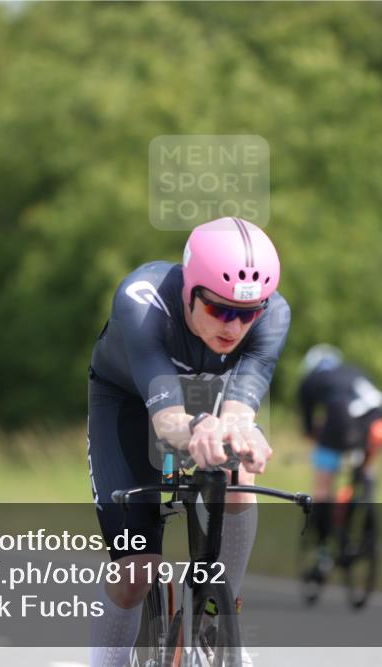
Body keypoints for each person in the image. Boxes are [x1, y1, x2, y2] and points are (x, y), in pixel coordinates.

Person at [87, 217, 290, 666]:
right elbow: (167, 420)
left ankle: (220, 616)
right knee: (135, 573)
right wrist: (198, 428)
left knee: (236, 471)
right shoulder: (143, 301)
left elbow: (239, 411)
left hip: (202, 392)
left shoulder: (274, 315)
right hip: (131, 398)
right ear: (189, 290)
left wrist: (242, 434)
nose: (235, 327)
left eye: (248, 312)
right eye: (220, 310)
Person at [298, 345, 382, 551]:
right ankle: (361, 511)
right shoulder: (354, 370)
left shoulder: (310, 380)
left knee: (323, 485)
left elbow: (308, 427)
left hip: (342, 419)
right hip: (379, 418)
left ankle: (322, 542)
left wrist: (318, 436)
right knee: (363, 471)